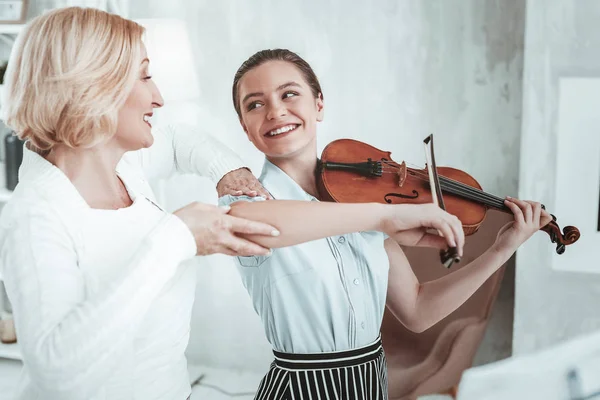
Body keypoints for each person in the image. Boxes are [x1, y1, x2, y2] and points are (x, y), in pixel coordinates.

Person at [217, 48, 554, 399]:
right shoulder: (247, 201)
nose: (275, 111)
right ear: (245, 127)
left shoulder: (361, 199)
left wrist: (503, 249)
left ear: (319, 104)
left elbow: (418, 311)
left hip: (371, 384)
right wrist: (386, 216)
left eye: (289, 94)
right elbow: (254, 223)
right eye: (255, 104)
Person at [0, 7, 282, 400]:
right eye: (145, 76)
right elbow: (57, 371)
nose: (159, 97)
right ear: (93, 87)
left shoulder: (124, 164)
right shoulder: (36, 215)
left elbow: (182, 140)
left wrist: (228, 171)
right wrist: (175, 238)